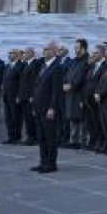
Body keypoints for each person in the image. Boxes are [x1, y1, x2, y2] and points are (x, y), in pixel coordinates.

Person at [31, 41, 64, 173]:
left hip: (48, 109)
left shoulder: (57, 67)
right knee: (41, 136)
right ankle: (43, 161)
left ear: (55, 51)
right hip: (39, 107)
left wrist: (52, 108)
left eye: (47, 49)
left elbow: (56, 90)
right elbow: (37, 86)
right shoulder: (43, 66)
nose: (44, 52)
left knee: (50, 136)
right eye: (44, 49)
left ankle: (51, 164)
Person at [1, 50, 24, 144]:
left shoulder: (21, 66)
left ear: (17, 55)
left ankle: (17, 137)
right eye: (9, 53)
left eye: (12, 53)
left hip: (15, 96)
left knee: (17, 117)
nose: (10, 55)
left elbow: (22, 83)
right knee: (8, 118)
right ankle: (10, 136)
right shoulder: (7, 66)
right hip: (7, 96)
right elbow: (4, 81)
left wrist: (19, 95)